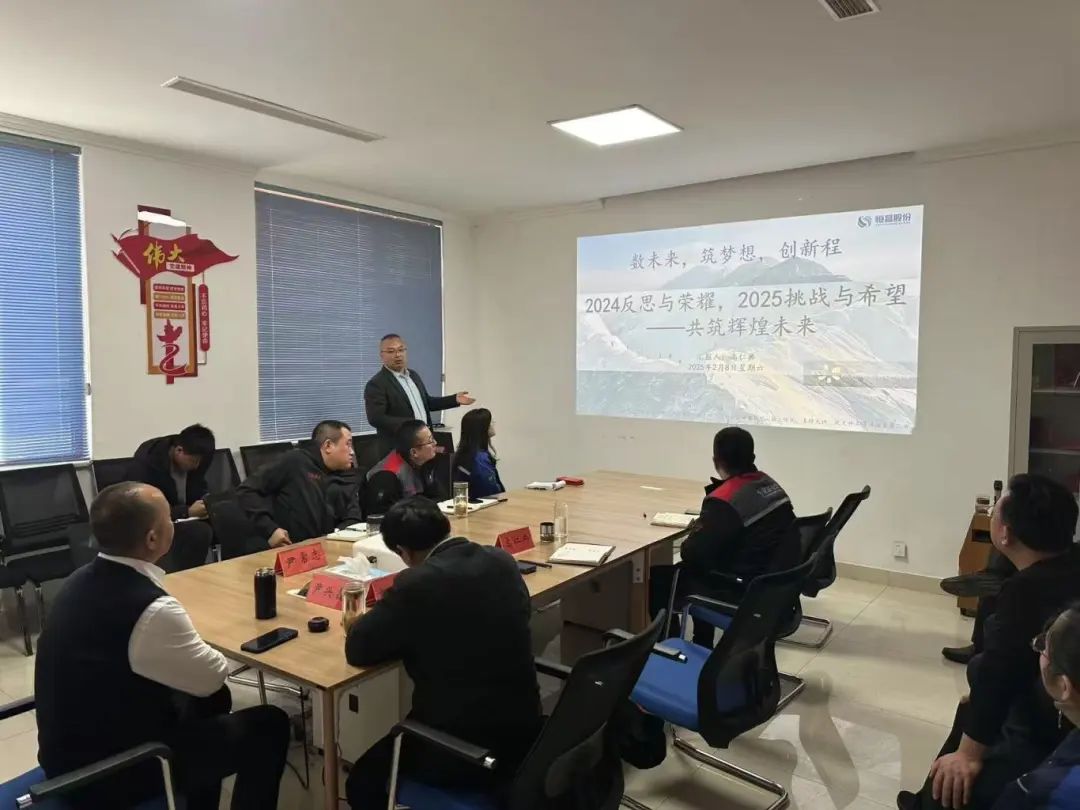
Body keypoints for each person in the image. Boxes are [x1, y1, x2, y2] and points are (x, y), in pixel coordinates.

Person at [34, 482, 290, 809]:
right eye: (169, 518)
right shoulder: (150, 607)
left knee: (213, 701)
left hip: (68, 755)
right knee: (269, 725)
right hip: (110, 772)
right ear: (152, 539)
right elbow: (213, 674)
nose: (174, 523)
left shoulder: (80, 579)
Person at [344, 496, 543, 808]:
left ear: (403, 552)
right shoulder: (501, 560)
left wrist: (354, 623)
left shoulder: (417, 584)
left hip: (462, 751)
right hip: (526, 734)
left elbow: (358, 649)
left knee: (361, 782)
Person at [898, 474, 1080, 810]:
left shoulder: (1025, 591)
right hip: (1054, 705)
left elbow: (1000, 672)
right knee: (971, 702)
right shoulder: (1069, 564)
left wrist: (969, 755)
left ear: (1005, 534)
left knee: (957, 776)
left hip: (1048, 726)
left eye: (996, 511)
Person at [649, 426, 795, 647]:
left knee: (657, 581)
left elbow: (692, 553)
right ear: (753, 457)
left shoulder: (726, 499)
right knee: (702, 567)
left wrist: (699, 530)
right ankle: (701, 643)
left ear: (716, 461)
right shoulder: (769, 484)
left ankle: (670, 649)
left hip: (741, 590)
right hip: (772, 585)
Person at [235, 419, 362, 555]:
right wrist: (270, 529)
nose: (352, 452)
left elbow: (353, 518)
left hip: (330, 550)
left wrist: (335, 537)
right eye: (348, 444)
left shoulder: (346, 475)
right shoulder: (295, 462)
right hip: (291, 551)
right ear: (328, 446)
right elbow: (247, 490)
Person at [364, 333, 474, 456]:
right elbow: (376, 418)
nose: (398, 355)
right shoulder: (377, 383)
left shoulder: (413, 376)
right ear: (382, 355)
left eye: (401, 350)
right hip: (399, 447)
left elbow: (427, 402)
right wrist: (412, 425)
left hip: (424, 445)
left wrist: (454, 399)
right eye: (391, 351)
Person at [127, 424, 215, 571]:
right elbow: (144, 509)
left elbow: (199, 486)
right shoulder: (147, 465)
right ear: (179, 450)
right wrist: (186, 512)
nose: (197, 466)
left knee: (227, 518)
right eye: (194, 461)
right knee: (199, 532)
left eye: (200, 461)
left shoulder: (197, 458)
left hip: (186, 516)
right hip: (155, 522)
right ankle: (186, 575)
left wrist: (206, 501)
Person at [364, 419, 445, 514]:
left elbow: (439, 498)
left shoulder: (424, 463)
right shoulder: (387, 476)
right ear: (414, 452)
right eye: (430, 441)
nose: (435, 443)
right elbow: (386, 516)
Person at [452, 407, 506, 498]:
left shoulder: (467, 454)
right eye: (490, 422)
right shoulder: (480, 459)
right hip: (486, 503)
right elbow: (490, 491)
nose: (493, 423)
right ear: (482, 427)